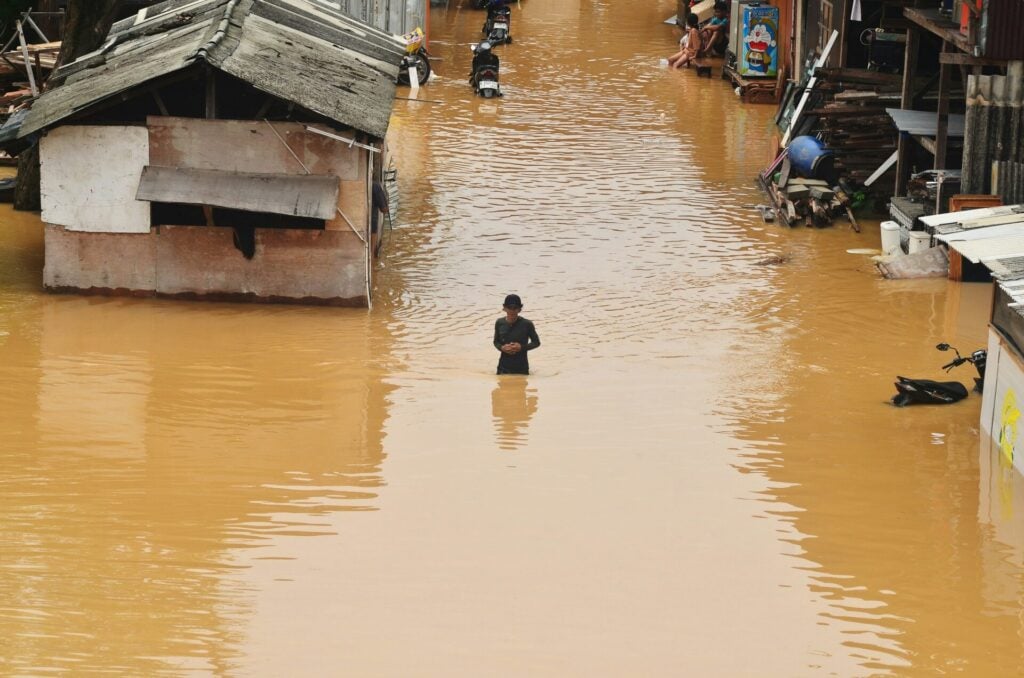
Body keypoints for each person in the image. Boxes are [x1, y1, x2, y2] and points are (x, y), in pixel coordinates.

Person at [493, 294, 540, 375]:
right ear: (504, 308)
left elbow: (536, 342)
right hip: (503, 368)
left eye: (515, 308)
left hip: (522, 369)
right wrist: (502, 347)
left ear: (519, 309)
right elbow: (495, 341)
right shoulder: (499, 322)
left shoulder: (527, 324)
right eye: (509, 308)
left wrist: (521, 347)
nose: (512, 311)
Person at [371, 180, 389, 258]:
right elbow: (384, 209)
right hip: (371, 226)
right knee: (371, 255)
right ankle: (371, 258)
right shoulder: (375, 186)